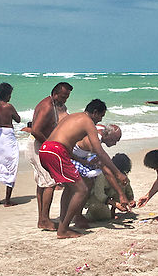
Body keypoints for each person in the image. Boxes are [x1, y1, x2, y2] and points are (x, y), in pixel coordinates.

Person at [38, 99, 130, 238]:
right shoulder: (88, 122)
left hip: (45, 149)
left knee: (72, 188)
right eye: (101, 116)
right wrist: (118, 173)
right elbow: (100, 153)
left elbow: (66, 144)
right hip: (56, 151)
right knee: (82, 190)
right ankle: (63, 230)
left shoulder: (73, 117)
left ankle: (65, 224)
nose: (100, 120)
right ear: (95, 113)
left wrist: (80, 160)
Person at [28, 82, 72, 231]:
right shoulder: (47, 106)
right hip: (38, 145)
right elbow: (35, 130)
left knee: (42, 182)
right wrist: (49, 145)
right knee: (50, 183)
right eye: (63, 96)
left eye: (67, 97)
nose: (65, 99)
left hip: (41, 145)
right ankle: (45, 220)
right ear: (54, 93)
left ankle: (42, 219)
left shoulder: (55, 105)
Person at [84, 153, 134, 222]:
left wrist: (131, 200)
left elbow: (128, 189)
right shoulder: (102, 174)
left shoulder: (122, 174)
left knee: (121, 185)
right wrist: (116, 204)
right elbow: (99, 194)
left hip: (107, 197)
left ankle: (112, 211)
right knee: (103, 216)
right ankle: (88, 215)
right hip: (94, 198)